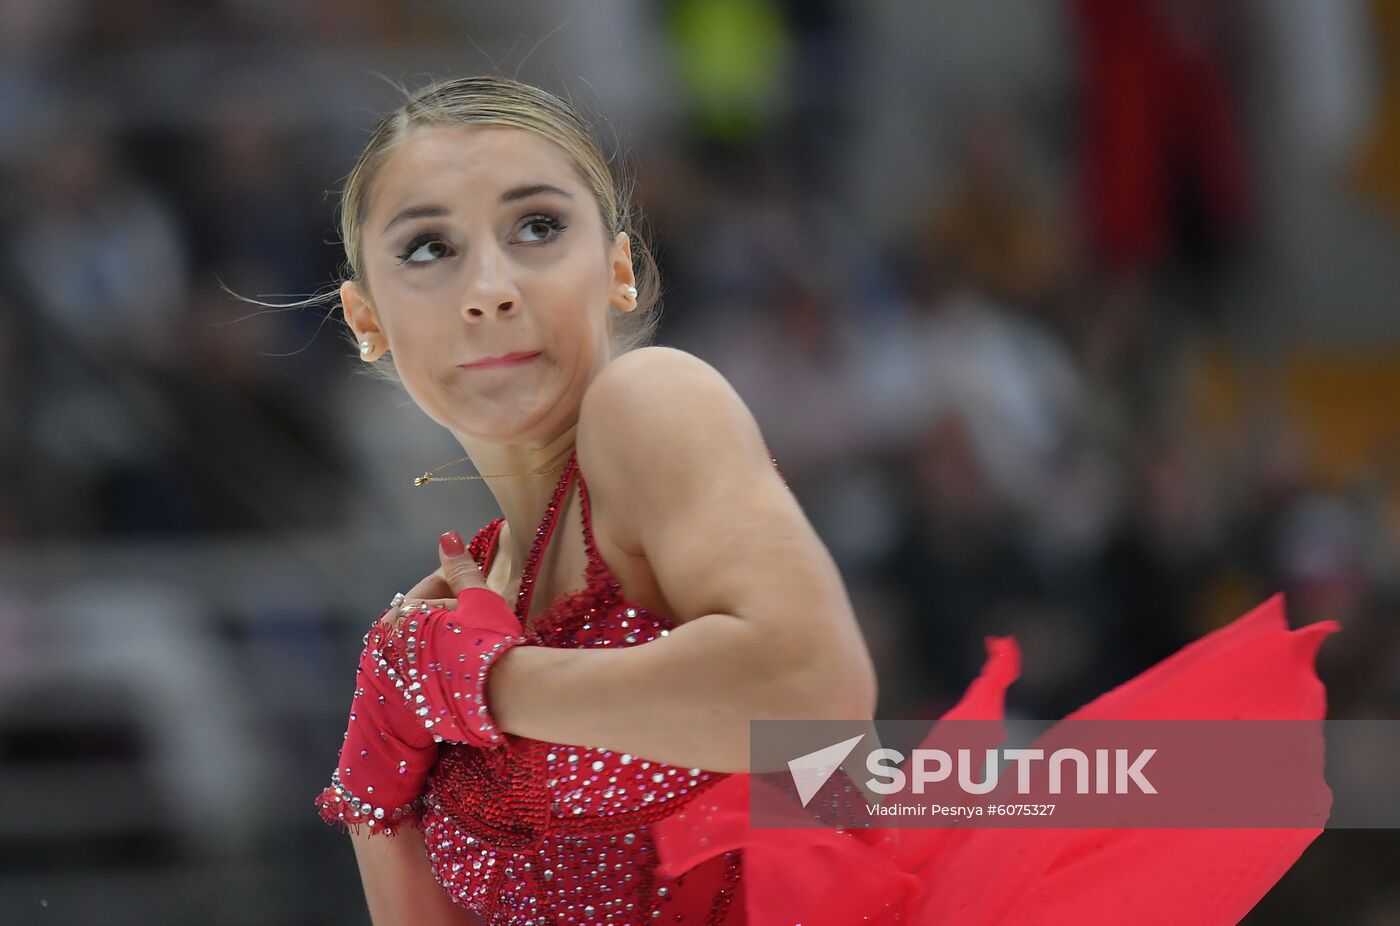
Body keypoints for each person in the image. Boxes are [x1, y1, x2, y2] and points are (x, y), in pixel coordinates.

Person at [313, 76, 1340, 925]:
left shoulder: (648, 404)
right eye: (428, 247)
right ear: (366, 319)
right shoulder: (443, 618)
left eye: (537, 226)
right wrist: (377, 800)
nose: (490, 285)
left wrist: (485, 684)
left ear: (617, 270)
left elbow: (810, 699)